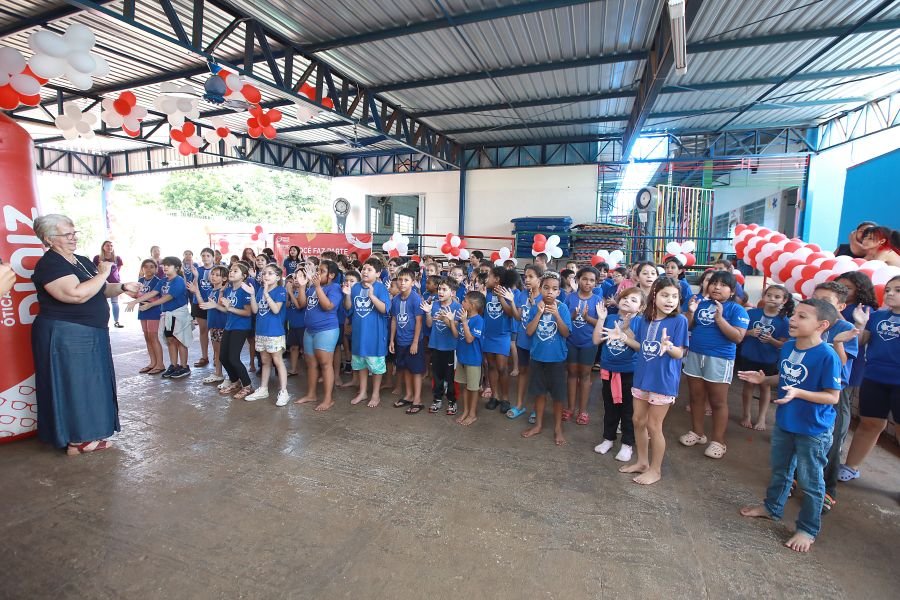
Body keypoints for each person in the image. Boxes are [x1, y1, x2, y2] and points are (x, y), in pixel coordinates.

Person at [30, 214, 141, 455]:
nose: (73, 238)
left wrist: (123, 287)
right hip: (67, 333)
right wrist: (103, 273)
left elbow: (99, 289)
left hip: (90, 332)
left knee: (92, 384)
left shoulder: (79, 260)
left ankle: (89, 432)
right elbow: (75, 294)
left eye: (74, 233)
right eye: (66, 234)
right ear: (49, 239)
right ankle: (77, 439)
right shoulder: (50, 264)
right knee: (76, 385)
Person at [738, 298, 842, 553]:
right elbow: (784, 379)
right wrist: (763, 380)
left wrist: (800, 393)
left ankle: (807, 528)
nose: (793, 320)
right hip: (786, 421)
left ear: (822, 325)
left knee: (810, 482)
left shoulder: (827, 355)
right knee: (781, 469)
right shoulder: (788, 347)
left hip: (813, 429)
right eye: (795, 314)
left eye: (803, 317)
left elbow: (833, 396)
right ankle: (772, 508)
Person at [601, 278, 688, 484]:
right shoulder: (646, 320)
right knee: (637, 421)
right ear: (654, 295)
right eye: (665, 295)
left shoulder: (679, 321)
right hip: (642, 378)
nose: (670, 300)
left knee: (653, 426)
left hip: (663, 381)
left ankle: (655, 470)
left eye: (674, 296)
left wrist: (669, 347)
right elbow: (641, 346)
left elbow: (679, 353)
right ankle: (642, 462)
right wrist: (623, 337)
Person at [680, 271, 749, 459]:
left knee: (718, 402)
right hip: (695, 355)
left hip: (720, 359)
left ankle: (718, 441)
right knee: (695, 397)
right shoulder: (701, 304)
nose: (717, 287)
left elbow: (737, 337)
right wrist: (691, 312)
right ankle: (697, 433)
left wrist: (720, 318)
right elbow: (686, 326)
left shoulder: (736, 310)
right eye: (713, 283)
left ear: (732, 290)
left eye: (723, 284)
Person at [839, 275, 900, 484]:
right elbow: (862, 341)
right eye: (889, 289)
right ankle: (851, 466)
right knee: (870, 423)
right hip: (874, 377)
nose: (891, 293)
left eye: (898, 290)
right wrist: (860, 324)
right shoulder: (876, 317)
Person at [592, 287, 644, 462]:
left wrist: (625, 334)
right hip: (608, 371)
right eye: (625, 297)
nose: (627, 301)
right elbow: (596, 340)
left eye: (634, 300)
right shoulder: (611, 318)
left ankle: (627, 444)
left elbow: (640, 347)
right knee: (610, 409)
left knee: (628, 411)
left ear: (641, 307)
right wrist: (601, 319)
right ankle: (608, 439)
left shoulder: (641, 322)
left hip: (629, 373)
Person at [521, 271, 573, 446]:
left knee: (558, 396)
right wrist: (538, 313)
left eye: (554, 289)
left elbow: (566, 333)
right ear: (541, 289)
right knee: (539, 394)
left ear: (559, 292)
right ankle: (538, 425)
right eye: (546, 288)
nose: (550, 291)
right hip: (537, 357)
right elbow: (528, 331)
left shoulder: (563, 308)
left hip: (557, 359)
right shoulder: (535, 306)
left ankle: (558, 428)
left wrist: (557, 315)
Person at [739, 284, 792, 431]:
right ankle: (746, 415)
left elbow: (783, 345)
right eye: (769, 295)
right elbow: (739, 333)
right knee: (748, 385)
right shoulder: (752, 314)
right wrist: (749, 333)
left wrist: (771, 340)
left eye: (777, 297)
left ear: (784, 300)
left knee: (765, 387)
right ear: (763, 296)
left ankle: (762, 418)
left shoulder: (784, 321)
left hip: (768, 359)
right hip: (749, 355)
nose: (772, 299)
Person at [294, 260, 343, 411]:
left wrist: (316, 287)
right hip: (309, 330)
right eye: (317, 270)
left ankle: (328, 399)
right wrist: (302, 287)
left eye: (321, 271)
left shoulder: (335, 288)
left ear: (331, 275)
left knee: (325, 364)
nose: (317, 273)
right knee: (311, 364)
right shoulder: (313, 288)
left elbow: (328, 306)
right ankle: (311, 394)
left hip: (326, 330)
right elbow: (302, 304)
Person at [344, 257, 390, 408]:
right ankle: (363, 392)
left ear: (378, 273)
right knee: (360, 365)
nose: (365, 271)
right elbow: (349, 309)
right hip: (359, 334)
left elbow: (384, 309)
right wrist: (347, 295)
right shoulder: (356, 287)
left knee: (376, 366)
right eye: (364, 268)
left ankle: (375, 393)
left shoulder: (381, 288)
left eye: (369, 269)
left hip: (374, 336)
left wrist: (372, 296)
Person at [243, 264, 290, 406]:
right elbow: (256, 310)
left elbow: (276, 310)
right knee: (264, 361)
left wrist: (267, 295)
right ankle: (263, 389)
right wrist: (252, 295)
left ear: (277, 277)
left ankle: (283, 391)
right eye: (264, 273)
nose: (266, 276)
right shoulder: (260, 290)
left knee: (277, 360)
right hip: (261, 331)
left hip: (274, 332)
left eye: (270, 273)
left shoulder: (280, 291)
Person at [565, 266, 603, 425]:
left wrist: (587, 317)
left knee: (585, 375)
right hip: (571, 342)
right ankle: (570, 408)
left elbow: (601, 324)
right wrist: (572, 316)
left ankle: (583, 410)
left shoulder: (598, 300)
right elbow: (563, 320)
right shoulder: (569, 298)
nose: (588, 283)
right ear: (578, 280)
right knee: (572, 374)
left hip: (589, 343)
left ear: (596, 283)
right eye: (585, 279)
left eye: (592, 280)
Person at [508, 264, 543, 421]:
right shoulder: (522, 295)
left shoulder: (544, 296)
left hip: (538, 343)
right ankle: (520, 404)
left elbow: (543, 320)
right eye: (525, 276)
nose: (527, 280)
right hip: (523, 342)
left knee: (537, 376)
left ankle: (537, 409)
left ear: (539, 279)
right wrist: (511, 302)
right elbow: (517, 317)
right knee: (523, 372)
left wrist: (533, 305)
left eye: (531, 277)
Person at [390, 268, 426, 413]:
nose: (402, 283)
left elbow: (419, 321)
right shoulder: (396, 299)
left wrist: (415, 342)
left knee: (416, 370)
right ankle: (409, 394)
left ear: (412, 282)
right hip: (400, 341)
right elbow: (394, 320)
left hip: (413, 341)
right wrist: (392, 340)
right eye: (400, 279)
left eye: (406, 280)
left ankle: (417, 399)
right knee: (404, 368)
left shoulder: (415, 298)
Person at [215, 262, 254, 399]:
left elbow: (248, 312)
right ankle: (235, 381)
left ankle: (248, 385)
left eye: (235, 271)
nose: (231, 272)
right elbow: (226, 309)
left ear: (243, 276)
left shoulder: (245, 290)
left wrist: (230, 307)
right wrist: (215, 305)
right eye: (231, 270)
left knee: (233, 358)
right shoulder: (228, 289)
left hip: (241, 327)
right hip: (229, 326)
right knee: (223, 357)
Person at [423, 278, 462, 414]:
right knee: (437, 375)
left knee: (451, 376)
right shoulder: (434, 305)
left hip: (450, 348)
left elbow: (455, 330)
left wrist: (446, 319)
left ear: (452, 292)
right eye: (439, 289)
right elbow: (429, 324)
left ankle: (452, 401)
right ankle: (437, 399)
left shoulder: (457, 307)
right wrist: (428, 312)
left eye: (444, 289)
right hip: (435, 345)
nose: (440, 291)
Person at [482, 266, 517, 414]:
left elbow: (510, 313)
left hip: (502, 335)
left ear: (497, 279)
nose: (486, 279)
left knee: (502, 367)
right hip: (488, 334)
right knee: (491, 366)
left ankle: (505, 398)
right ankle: (494, 397)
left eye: (489, 276)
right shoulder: (487, 293)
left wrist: (502, 297)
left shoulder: (509, 293)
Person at [449, 290, 485, 426]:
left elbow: (469, 339)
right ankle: (465, 411)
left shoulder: (478, 321)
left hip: (473, 360)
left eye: (464, 301)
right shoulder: (465, 318)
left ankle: (472, 414)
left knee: (473, 388)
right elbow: (456, 335)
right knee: (464, 386)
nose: (462, 303)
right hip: (462, 358)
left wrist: (464, 322)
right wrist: (451, 321)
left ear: (473, 305)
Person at [125, 259, 165, 375]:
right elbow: (137, 296)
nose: (148, 269)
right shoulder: (140, 280)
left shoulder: (158, 281)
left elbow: (156, 298)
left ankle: (160, 364)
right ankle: (152, 362)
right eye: (146, 267)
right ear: (142, 269)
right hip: (143, 311)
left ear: (156, 269)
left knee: (153, 337)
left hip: (153, 311)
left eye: (151, 266)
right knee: (147, 337)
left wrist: (139, 296)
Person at [197, 266, 228, 385]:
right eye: (212, 274)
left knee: (221, 352)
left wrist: (220, 294)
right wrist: (196, 292)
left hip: (222, 325)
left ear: (224, 278)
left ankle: (223, 374)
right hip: (214, 325)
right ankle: (218, 373)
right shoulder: (212, 291)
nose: (213, 276)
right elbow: (203, 305)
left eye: (217, 275)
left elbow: (225, 308)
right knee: (216, 351)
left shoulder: (224, 291)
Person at [185, 247, 215, 368]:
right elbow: (193, 287)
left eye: (208, 255)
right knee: (203, 330)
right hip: (199, 303)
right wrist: (196, 276)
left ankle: (216, 355)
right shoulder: (197, 270)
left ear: (213, 257)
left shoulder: (217, 269)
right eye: (203, 256)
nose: (205, 258)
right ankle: (204, 356)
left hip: (213, 303)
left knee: (214, 331)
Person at [93, 240, 125, 328]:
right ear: (103, 247)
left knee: (115, 303)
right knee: (102, 303)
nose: (110, 247)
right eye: (107, 245)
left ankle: (116, 321)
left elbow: (117, 271)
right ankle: (102, 321)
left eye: (111, 245)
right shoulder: (97, 258)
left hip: (115, 283)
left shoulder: (117, 258)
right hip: (102, 283)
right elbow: (94, 270)